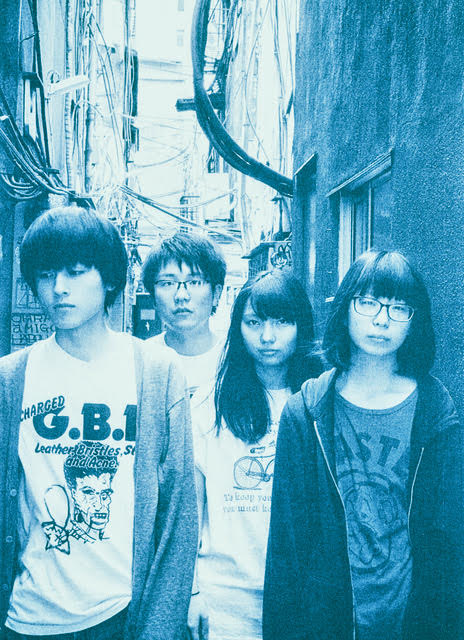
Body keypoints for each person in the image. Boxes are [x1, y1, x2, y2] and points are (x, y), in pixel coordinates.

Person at [0, 206, 197, 640]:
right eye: (46, 274)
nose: (59, 288)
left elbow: (179, 514)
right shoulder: (11, 378)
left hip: (120, 616)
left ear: (108, 278)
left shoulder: (156, 371)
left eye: (75, 272)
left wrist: (158, 630)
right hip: (27, 617)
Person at [263, 250, 464, 640]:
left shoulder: (437, 413)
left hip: (415, 620)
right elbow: (286, 547)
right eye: (368, 303)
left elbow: (450, 543)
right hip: (326, 622)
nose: (382, 319)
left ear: (414, 321)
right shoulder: (305, 413)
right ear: (345, 308)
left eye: (399, 308)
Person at [188, 269, 321, 640]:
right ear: (238, 327)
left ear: (302, 325)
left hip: (303, 598)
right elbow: (190, 512)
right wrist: (191, 592)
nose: (267, 336)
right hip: (223, 603)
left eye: (282, 322)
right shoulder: (208, 404)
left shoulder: (321, 401)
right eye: (254, 322)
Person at [142, 232, 227, 398]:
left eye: (195, 282)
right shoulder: (140, 360)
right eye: (168, 283)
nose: (181, 295)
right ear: (153, 297)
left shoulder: (234, 359)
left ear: (216, 294)